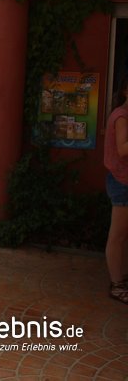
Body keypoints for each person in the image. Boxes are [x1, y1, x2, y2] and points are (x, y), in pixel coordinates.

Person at [105, 78, 127, 305]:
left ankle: (120, 279)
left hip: (123, 182)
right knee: (118, 235)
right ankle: (116, 284)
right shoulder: (121, 116)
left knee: (122, 235)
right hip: (122, 183)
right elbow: (122, 149)